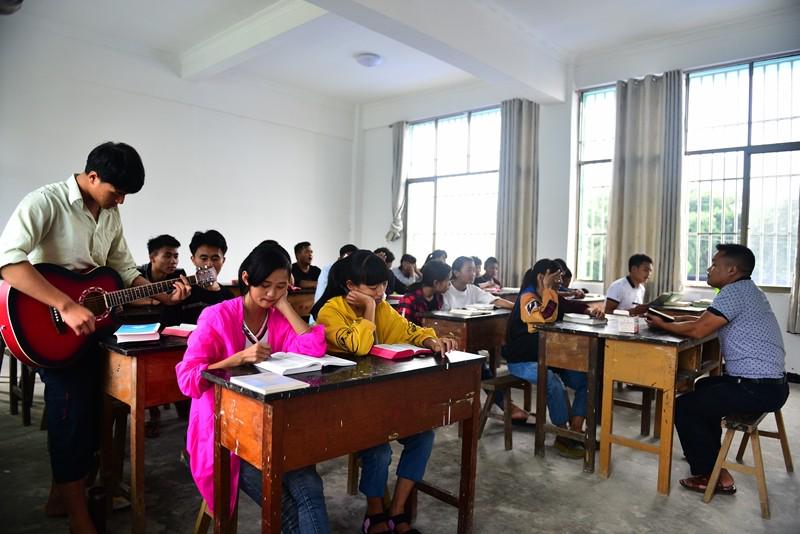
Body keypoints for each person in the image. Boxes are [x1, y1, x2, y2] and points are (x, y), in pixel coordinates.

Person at [0, 142, 190, 534]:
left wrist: (156, 290)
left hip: (95, 328)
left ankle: (64, 492)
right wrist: (64, 305)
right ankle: (78, 514)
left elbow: (120, 268)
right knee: (72, 414)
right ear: (91, 177)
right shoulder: (45, 203)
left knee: (96, 412)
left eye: (125, 196)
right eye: (115, 191)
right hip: (47, 326)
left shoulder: (110, 214)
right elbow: (8, 261)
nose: (120, 201)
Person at [175, 243, 330, 533]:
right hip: (226, 433)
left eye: (281, 287)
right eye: (265, 286)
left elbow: (314, 347)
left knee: (310, 488)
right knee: (284, 507)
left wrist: (284, 305)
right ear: (246, 279)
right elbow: (187, 379)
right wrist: (236, 359)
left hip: (274, 424)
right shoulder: (216, 315)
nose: (271, 294)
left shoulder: (279, 317)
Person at [313, 250, 456, 534]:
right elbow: (360, 346)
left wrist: (431, 340)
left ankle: (397, 509)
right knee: (378, 448)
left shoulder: (382, 306)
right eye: (372, 287)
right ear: (350, 286)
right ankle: (375, 511)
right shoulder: (329, 311)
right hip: (346, 406)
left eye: (383, 286)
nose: (381, 293)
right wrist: (367, 308)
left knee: (424, 436)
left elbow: (408, 330)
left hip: (382, 400)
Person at [645, 244, 789, 496]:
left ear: (732, 270)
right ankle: (710, 457)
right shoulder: (745, 290)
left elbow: (698, 330)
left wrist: (663, 325)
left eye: (714, 264)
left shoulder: (733, 293)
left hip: (756, 389)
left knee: (684, 407)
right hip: (770, 385)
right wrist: (669, 320)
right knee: (703, 387)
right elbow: (702, 319)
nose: (708, 269)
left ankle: (710, 474)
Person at [505, 259, 601, 459]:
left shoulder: (552, 295)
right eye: (556, 277)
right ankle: (562, 431)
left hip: (550, 357)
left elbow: (569, 304)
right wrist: (550, 290)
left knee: (586, 379)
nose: (560, 281)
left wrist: (590, 310)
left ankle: (574, 431)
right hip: (523, 360)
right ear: (542, 277)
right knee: (552, 381)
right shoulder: (528, 298)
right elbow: (544, 317)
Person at [160, 229, 234, 326]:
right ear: (193, 260)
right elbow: (166, 329)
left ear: (223, 261)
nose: (209, 264)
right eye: (204, 258)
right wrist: (173, 303)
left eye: (215, 259)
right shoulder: (180, 293)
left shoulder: (229, 298)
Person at [443, 256, 513, 310]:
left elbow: (495, 300)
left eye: (474, 270)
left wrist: (516, 306)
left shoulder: (473, 289)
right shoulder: (445, 289)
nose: (473, 274)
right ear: (456, 272)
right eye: (469, 270)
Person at [312, 243, 358, 316]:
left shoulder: (356, 271)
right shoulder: (328, 269)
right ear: (339, 259)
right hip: (323, 313)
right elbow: (320, 295)